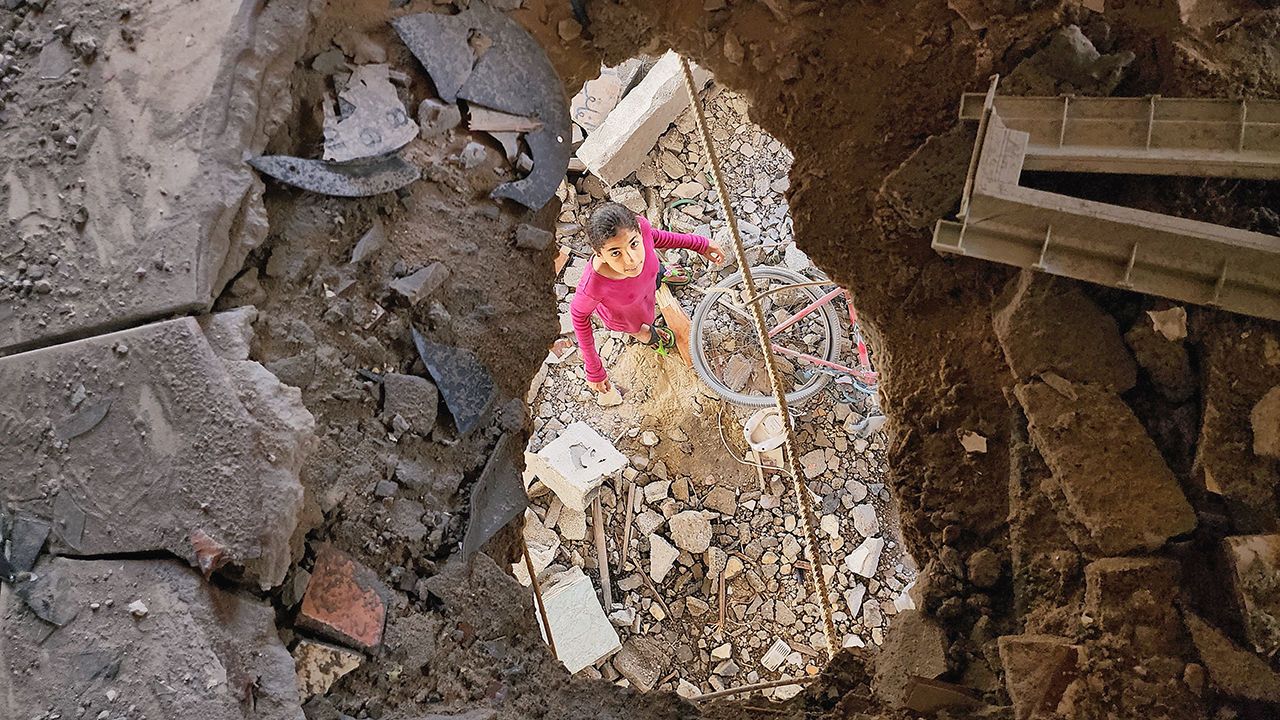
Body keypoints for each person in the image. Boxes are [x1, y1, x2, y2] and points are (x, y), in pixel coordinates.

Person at [570, 202, 725, 394]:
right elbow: (578, 316)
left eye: (634, 244)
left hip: (648, 280)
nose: (631, 259)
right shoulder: (594, 285)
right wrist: (594, 369)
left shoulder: (642, 228)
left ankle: (660, 274)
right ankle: (652, 336)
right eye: (615, 253)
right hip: (627, 314)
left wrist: (700, 244)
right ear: (599, 254)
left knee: (654, 271)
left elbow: (656, 237)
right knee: (641, 330)